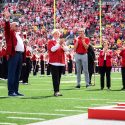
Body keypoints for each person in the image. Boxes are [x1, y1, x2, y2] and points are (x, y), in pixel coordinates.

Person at [4, 10, 26, 96]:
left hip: (20, 54)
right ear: (11, 26)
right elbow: (6, 27)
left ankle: (16, 91)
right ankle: (11, 91)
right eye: (16, 25)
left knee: (17, 74)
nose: (18, 27)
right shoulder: (10, 33)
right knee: (12, 73)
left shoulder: (18, 34)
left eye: (18, 26)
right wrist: (7, 19)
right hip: (14, 54)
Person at [47, 29, 68, 96]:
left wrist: (63, 45)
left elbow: (66, 50)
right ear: (53, 35)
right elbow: (52, 49)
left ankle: (57, 91)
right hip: (54, 62)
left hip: (61, 61)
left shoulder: (61, 42)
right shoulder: (50, 42)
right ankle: (56, 91)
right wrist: (59, 44)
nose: (57, 35)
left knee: (59, 77)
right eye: (55, 34)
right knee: (55, 77)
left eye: (58, 34)